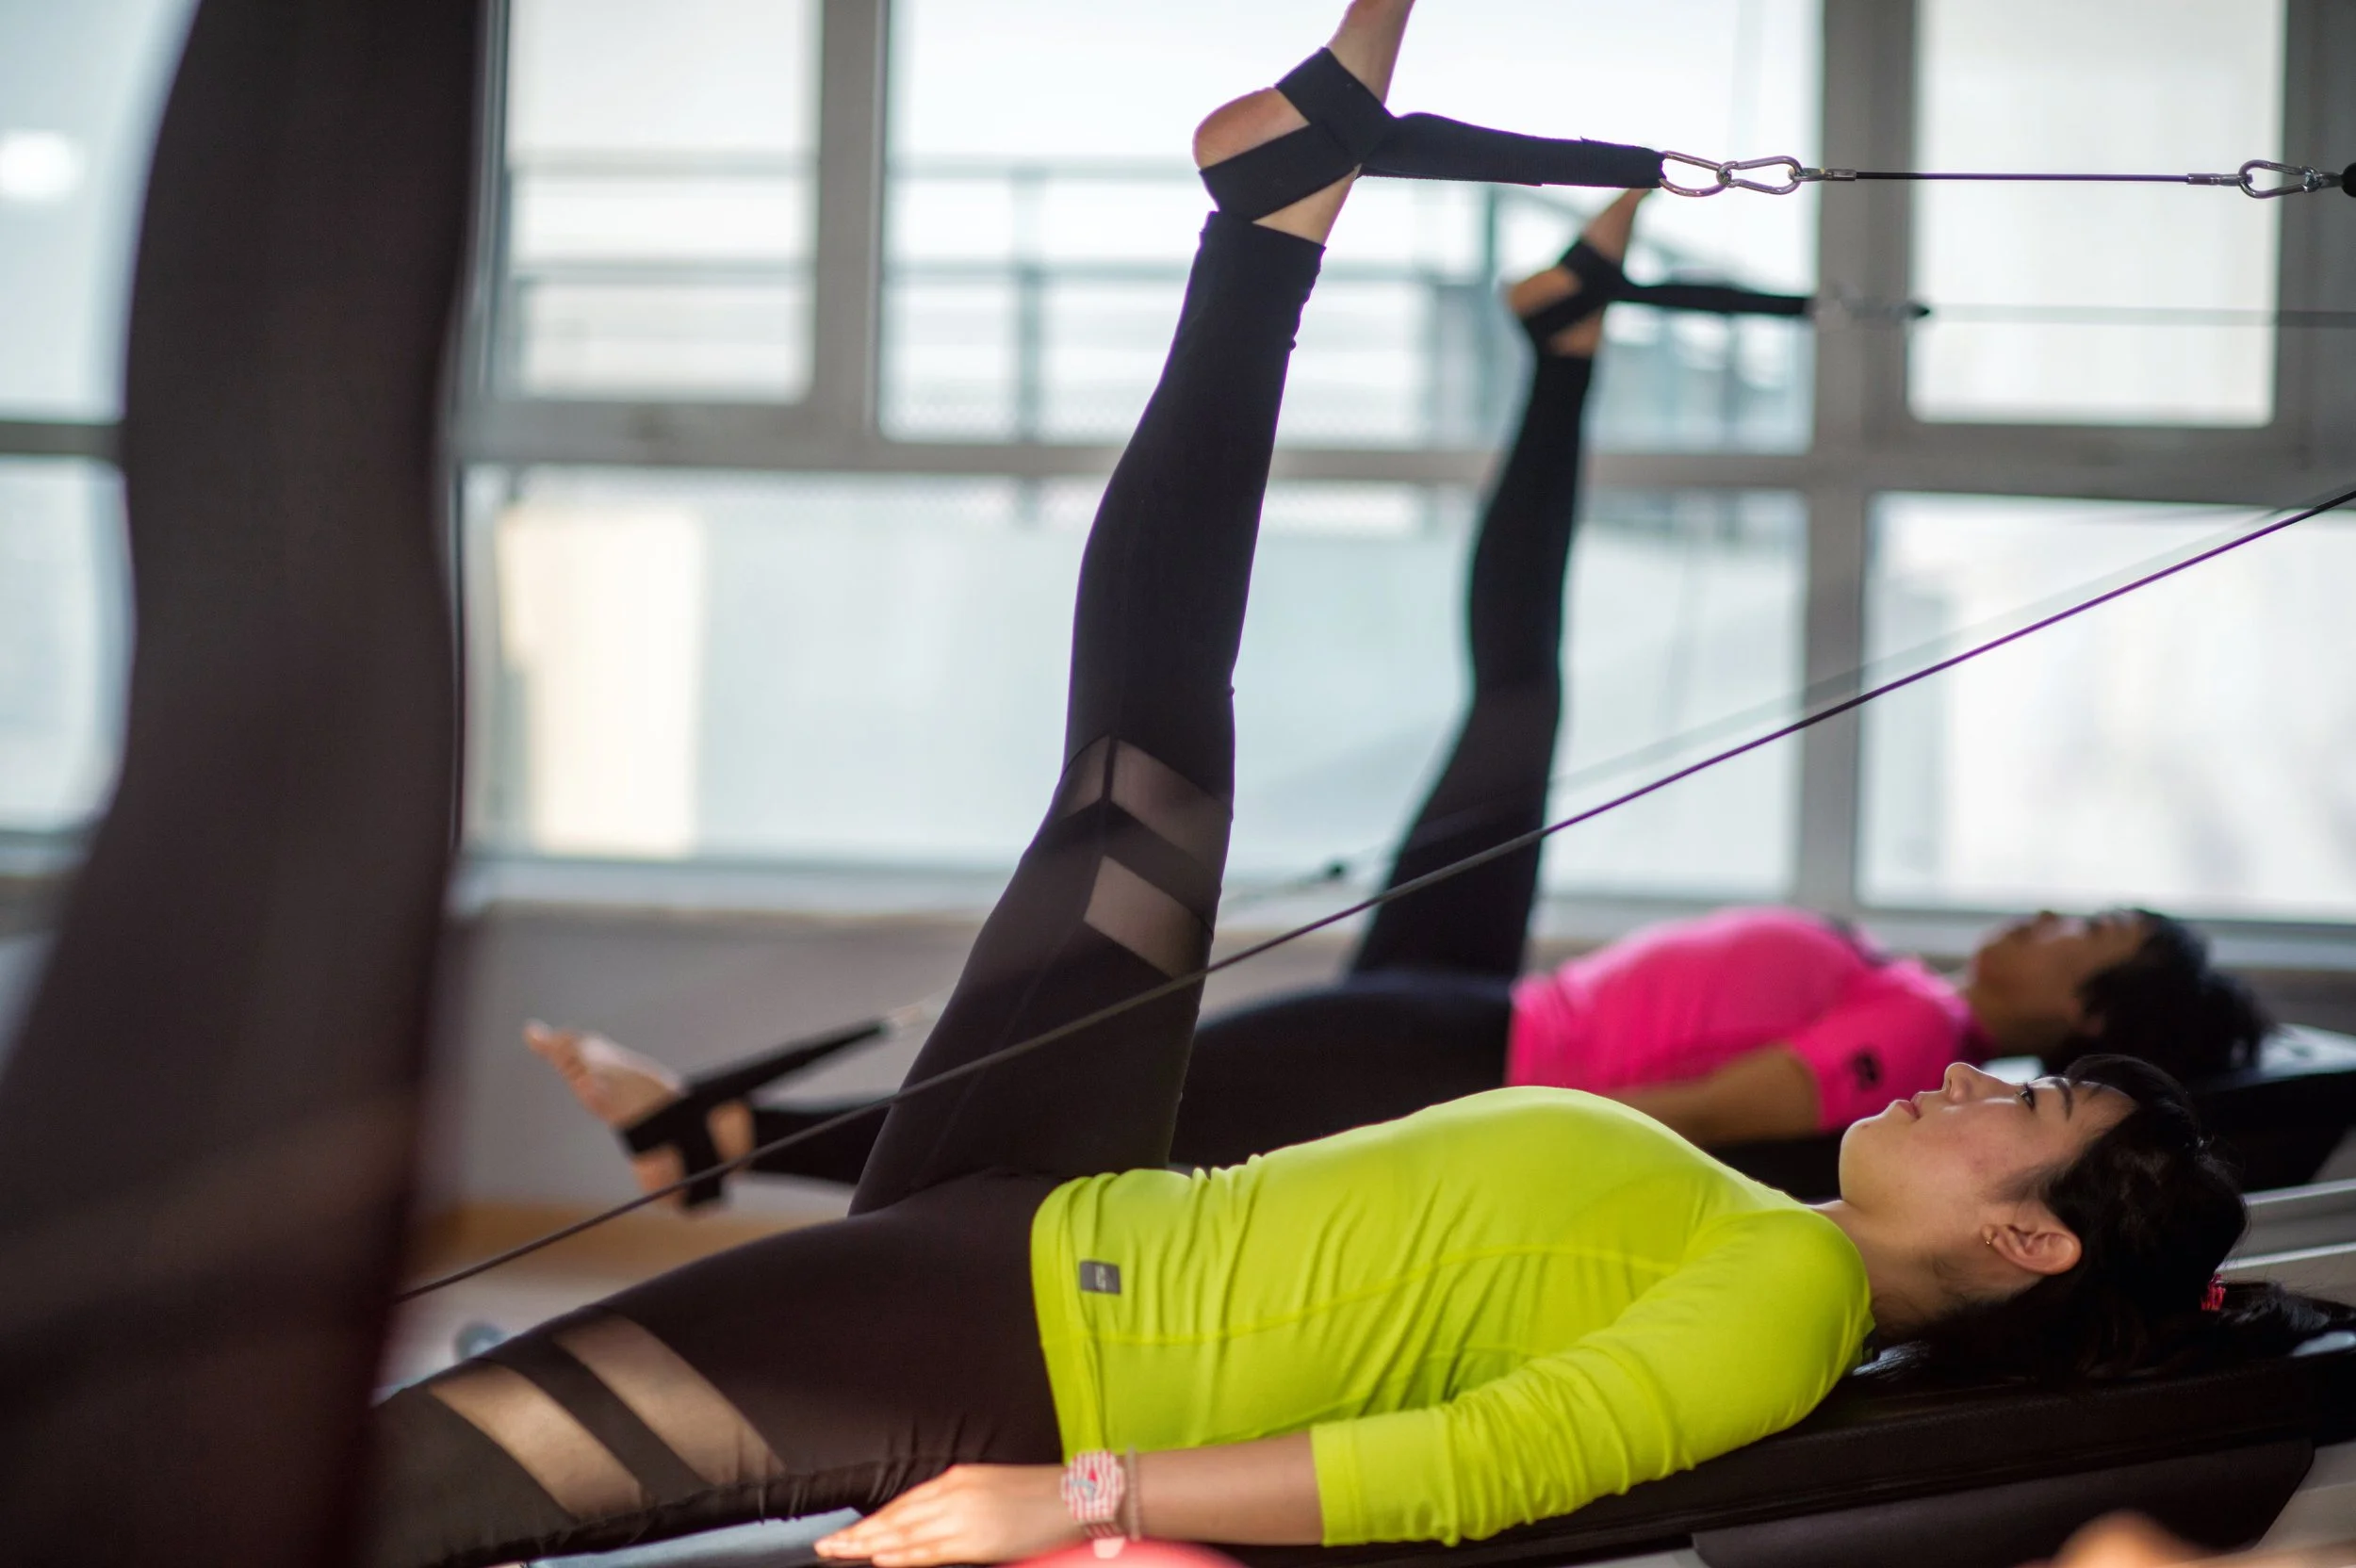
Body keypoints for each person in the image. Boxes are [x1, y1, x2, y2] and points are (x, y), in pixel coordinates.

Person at [366, 11, 2327, 1565]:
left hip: (1028, 1332)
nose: (1979, 1079)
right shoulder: (1768, 1233)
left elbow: (1478, 1462)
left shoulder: (1769, 1314)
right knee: (1146, 765)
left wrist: (1078, 1495)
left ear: (2028, 1241)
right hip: (1070, 1207)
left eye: (2032, 1107)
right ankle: (1271, 220)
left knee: (387, 1483)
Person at [526, 188, 2270, 1202]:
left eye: (2083, 927)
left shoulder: (1918, 1044)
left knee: (1126, 1103)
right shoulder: (1911, 1003)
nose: (2042, 912)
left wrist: (1448, 1151)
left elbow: (1683, 1122)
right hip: (1478, 994)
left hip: (1462, 1051)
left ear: (2087, 1011)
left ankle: (725, 1131)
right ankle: (1560, 350)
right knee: (1521, 691)